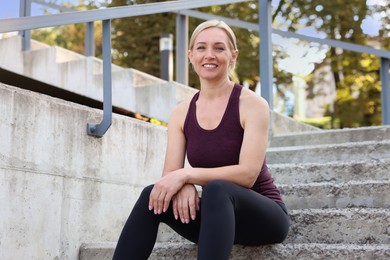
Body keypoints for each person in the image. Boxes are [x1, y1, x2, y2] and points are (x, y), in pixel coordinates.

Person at [113, 20, 289, 260]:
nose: (210, 55)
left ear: (232, 55)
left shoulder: (252, 105)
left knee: (217, 189)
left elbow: (247, 175)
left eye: (219, 48)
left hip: (263, 217)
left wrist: (187, 176)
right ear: (190, 55)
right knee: (151, 195)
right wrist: (183, 185)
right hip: (216, 220)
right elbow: (169, 177)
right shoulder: (181, 112)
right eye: (201, 48)